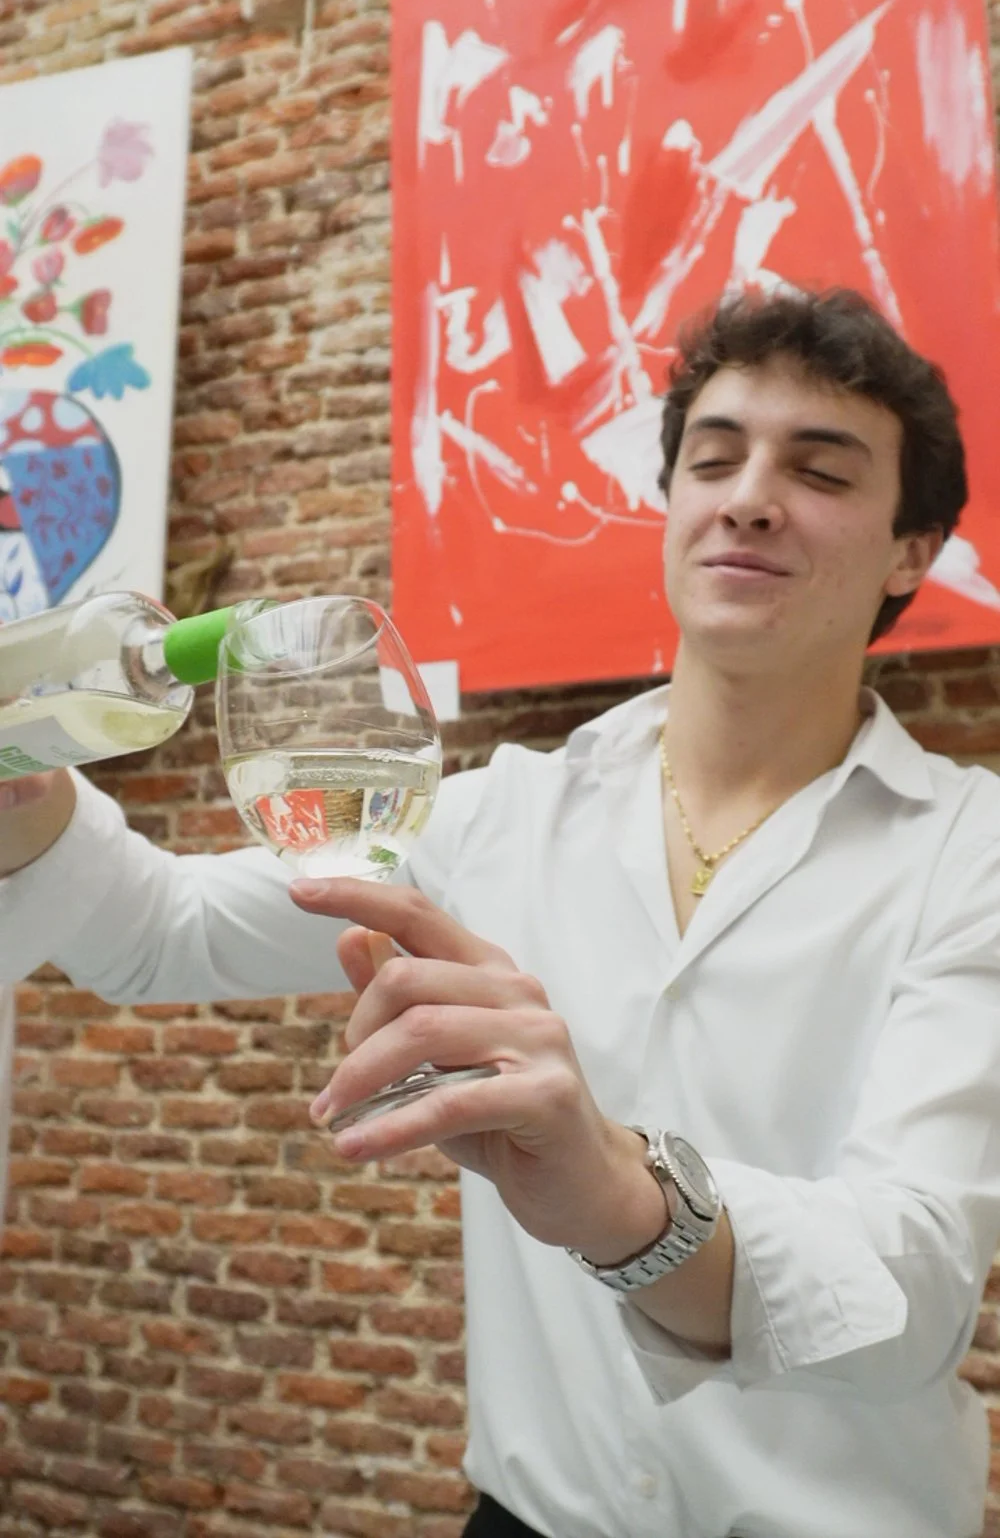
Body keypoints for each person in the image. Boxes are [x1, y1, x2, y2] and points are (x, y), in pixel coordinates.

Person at [3, 287, 1000, 1538]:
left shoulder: (973, 852)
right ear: (671, 502)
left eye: (821, 468)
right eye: (714, 455)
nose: (749, 494)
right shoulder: (504, 813)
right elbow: (158, 931)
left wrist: (625, 1195)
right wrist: (29, 793)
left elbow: (911, 1280)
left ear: (912, 550)